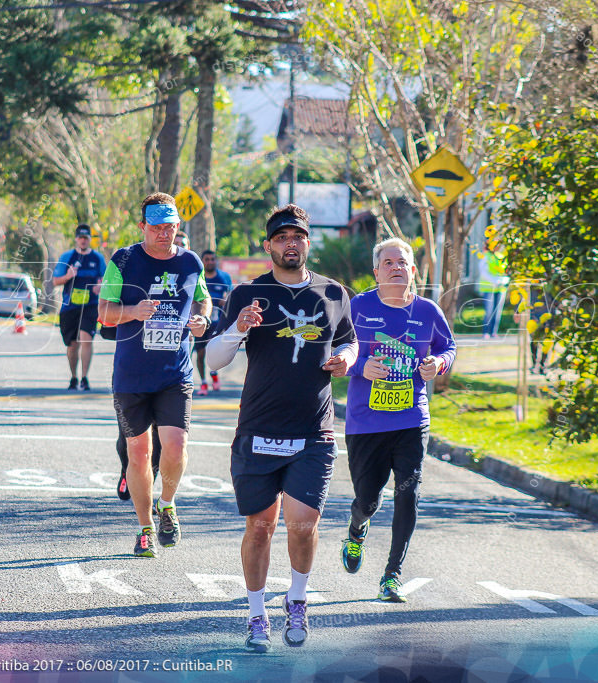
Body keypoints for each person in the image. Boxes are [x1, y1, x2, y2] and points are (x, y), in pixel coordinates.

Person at [206, 204, 357, 653]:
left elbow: (350, 340)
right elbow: (214, 358)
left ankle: (296, 598)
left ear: (308, 243)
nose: (291, 243)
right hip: (258, 429)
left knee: (304, 524)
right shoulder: (248, 294)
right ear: (268, 245)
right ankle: (256, 614)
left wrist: (346, 360)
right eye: (282, 237)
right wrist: (238, 327)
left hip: (314, 431)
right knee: (259, 527)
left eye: (299, 236)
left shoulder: (333, 294)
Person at [340, 238, 456, 602]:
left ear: (412, 270)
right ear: (376, 271)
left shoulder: (428, 311)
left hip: (411, 419)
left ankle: (392, 575)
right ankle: (357, 528)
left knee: (409, 494)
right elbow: (334, 351)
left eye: (402, 262)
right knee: (368, 498)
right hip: (365, 422)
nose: (395, 267)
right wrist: (361, 366)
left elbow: (447, 347)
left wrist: (439, 364)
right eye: (388, 262)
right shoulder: (357, 308)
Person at [98, 193, 211, 557]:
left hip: (174, 373)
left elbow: (202, 298)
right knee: (139, 452)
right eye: (158, 227)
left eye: (171, 227)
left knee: (176, 447)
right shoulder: (124, 259)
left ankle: (168, 504)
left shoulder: (192, 262)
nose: (165, 234)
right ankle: (145, 527)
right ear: (143, 226)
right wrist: (133, 310)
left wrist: (201, 318)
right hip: (131, 376)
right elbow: (104, 313)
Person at [51, 224, 107, 390]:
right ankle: (74, 377)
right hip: (70, 307)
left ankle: (84, 378)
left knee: (86, 339)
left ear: (90, 240)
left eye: (86, 238)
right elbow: (55, 281)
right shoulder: (67, 257)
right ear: (76, 239)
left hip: (90, 305)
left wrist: (100, 287)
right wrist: (68, 276)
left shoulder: (97, 258)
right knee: (73, 344)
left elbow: (104, 279)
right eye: (80, 238)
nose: (83, 241)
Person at [194, 250, 233, 396]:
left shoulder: (224, 277)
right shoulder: (199, 277)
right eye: (207, 259)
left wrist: (225, 302)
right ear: (203, 261)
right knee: (200, 353)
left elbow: (230, 296)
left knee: (211, 349)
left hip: (217, 321)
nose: (210, 262)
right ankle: (204, 382)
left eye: (212, 259)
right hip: (200, 320)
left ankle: (214, 373)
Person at [477, 238, 509, 339]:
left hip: (500, 288)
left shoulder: (501, 257)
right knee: (489, 311)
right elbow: (483, 272)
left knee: (497, 311)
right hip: (489, 288)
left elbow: (507, 271)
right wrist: (494, 281)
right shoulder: (486, 256)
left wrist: (503, 280)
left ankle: (494, 332)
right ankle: (486, 332)